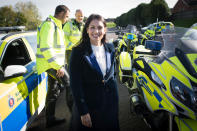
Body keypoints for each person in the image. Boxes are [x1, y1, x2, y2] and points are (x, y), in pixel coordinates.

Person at [69, 14, 120, 131]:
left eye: (100, 27)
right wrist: (83, 112)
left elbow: (112, 75)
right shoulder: (78, 52)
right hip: (90, 107)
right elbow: (75, 84)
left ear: (105, 30)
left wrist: (114, 99)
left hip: (109, 105)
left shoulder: (111, 47)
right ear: (87, 30)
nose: (96, 31)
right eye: (92, 27)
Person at [36, 5, 72, 128]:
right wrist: (58, 66)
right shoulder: (49, 25)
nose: (67, 19)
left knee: (54, 90)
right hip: (50, 64)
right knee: (70, 84)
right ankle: (78, 119)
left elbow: (60, 47)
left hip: (53, 64)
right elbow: (45, 47)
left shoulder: (56, 26)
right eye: (66, 16)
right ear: (61, 13)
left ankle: (50, 120)